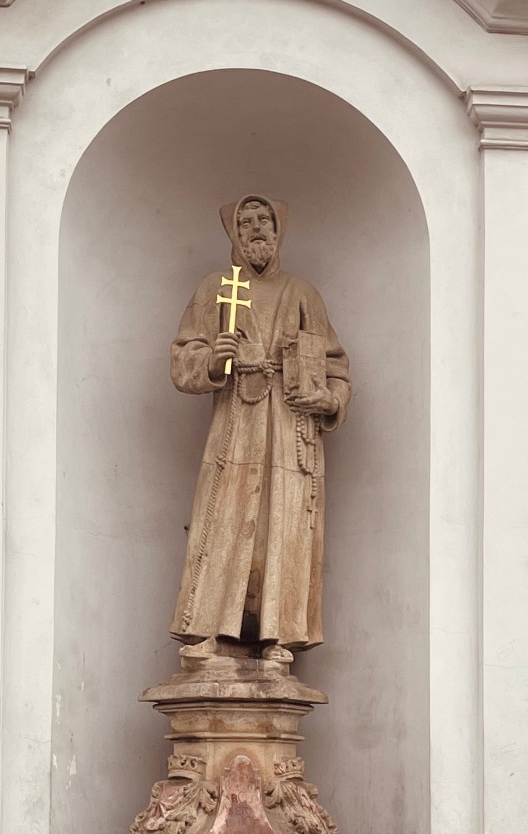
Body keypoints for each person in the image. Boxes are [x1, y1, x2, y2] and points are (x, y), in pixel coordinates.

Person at [169, 194, 351, 660]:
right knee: (226, 519)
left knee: (284, 527)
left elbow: (336, 367)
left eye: (264, 220)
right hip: (237, 424)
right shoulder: (217, 288)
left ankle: (277, 636)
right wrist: (213, 360)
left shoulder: (304, 294)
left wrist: (329, 399)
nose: (256, 229)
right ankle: (209, 629)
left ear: (278, 229)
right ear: (233, 232)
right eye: (246, 221)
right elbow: (183, 357)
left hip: (292, 432)